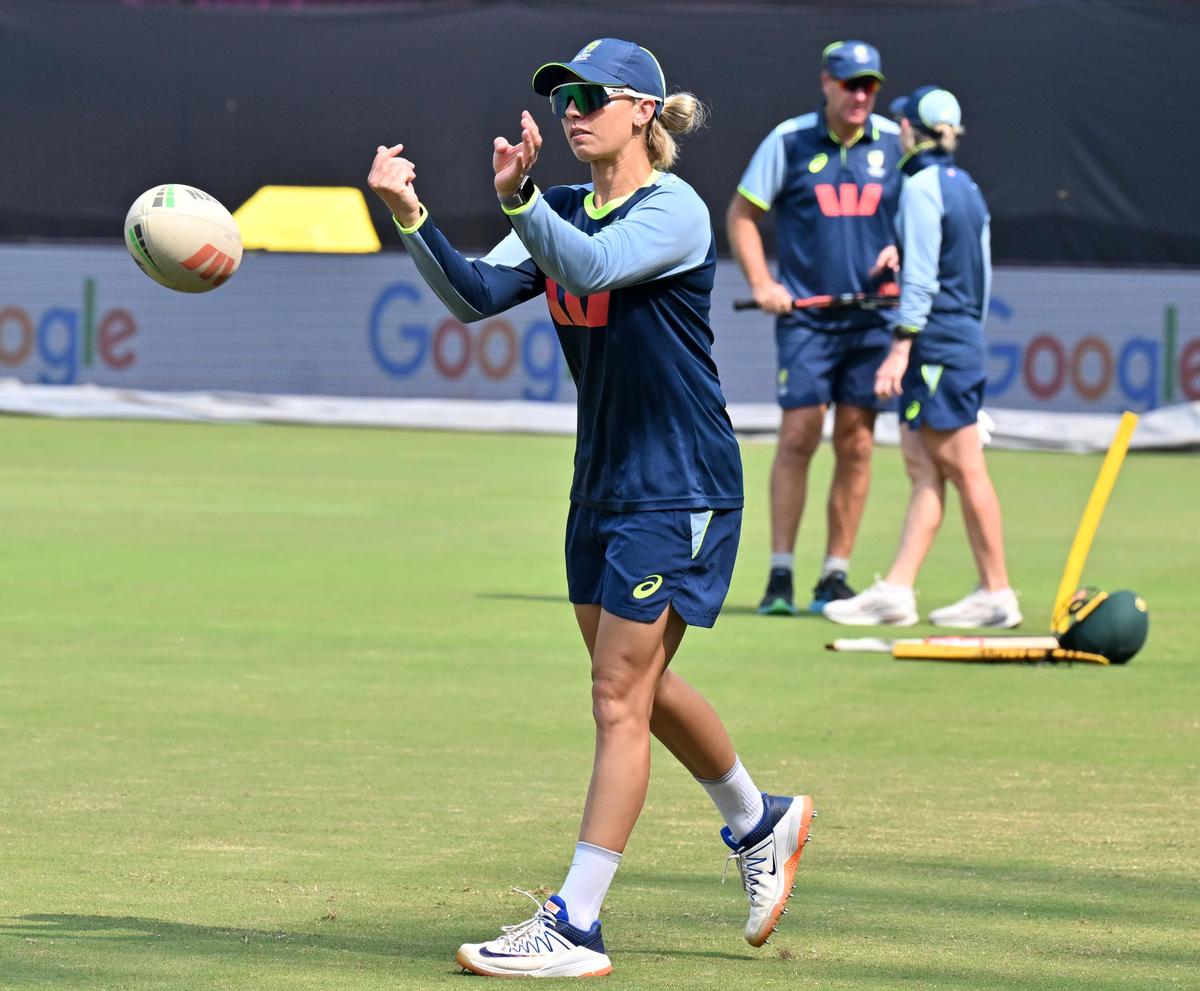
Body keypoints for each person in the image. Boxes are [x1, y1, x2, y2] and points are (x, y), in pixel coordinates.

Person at [367, 38, 815, 979]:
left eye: (593, 97)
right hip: (602, 482)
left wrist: (520, 201)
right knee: (637, 691)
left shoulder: (675, 210)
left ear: (646, 112)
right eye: (563, 95)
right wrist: (412, 218)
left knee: (617, 695)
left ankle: (575, 922)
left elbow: (597, 267)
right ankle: (757, 818)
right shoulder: (561, 206)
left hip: (681, 482)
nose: (573, 108)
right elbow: (476, 295)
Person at [823, 87, 1022, 629]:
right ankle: (897, 590)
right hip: (954, 339)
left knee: (961, 465)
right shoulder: (966, 186)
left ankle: (998, 592)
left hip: (936, 343)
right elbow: (972, 272)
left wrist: (901, 348)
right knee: (924, 465)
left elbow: (922, 280)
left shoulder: (920, 186)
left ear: (910, 130)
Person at [727, 40, 904, 617]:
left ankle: (835, 575)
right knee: (799, 435)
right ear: (825, 82)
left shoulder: (896, 146)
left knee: (856, 442)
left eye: (868, 85)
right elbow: (743, 215)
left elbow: (917, 224)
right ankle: (781, 573)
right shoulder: (789, 140)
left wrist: (902, 253)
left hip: (873, 320)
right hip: (807, 321)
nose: (859, 95)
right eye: (849, 83)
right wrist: (762, 284)